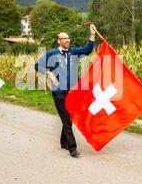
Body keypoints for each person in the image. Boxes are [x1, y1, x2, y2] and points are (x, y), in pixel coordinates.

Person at [35, 25, 97, 158]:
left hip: (73, 91)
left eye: (68, 38)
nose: (68, 40)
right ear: (59, 41)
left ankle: (63, 142)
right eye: (64, 38)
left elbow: (87, 50)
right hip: (59, 92)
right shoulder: (52, 54)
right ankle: (72, 148)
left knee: (70, 118)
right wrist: (49, 73)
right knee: (67, 118)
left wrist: (92, 35)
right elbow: (37, 65)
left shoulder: (73, 52)